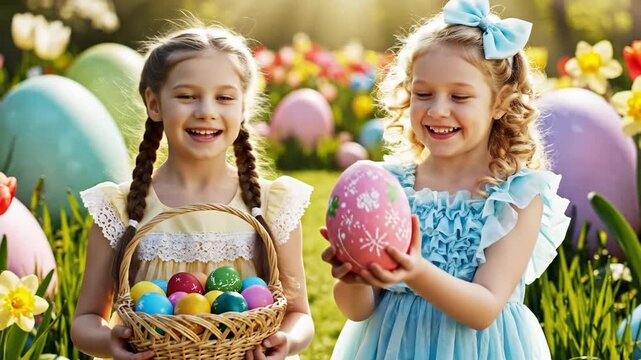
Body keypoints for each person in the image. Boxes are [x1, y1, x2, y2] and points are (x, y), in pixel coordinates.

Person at [321, 0, 571, 358]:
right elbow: (358, 311)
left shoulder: (514, 196)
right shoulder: (390, 187)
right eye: (423, 94)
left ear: (499, 102)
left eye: (459, 96)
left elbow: (484, 309)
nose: (438, 110)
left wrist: (415, 272)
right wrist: (354, 277)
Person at [71, 23, 314, 360]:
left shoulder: (272, 206)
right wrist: (108, 341)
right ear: (154, 104)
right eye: (186, 96)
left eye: (225, 97)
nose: (206, 111)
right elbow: (86, 320)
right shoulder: (121, 209)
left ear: (243, 107)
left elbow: (299, 313)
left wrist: (287, 341)